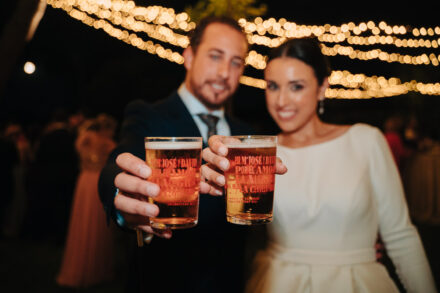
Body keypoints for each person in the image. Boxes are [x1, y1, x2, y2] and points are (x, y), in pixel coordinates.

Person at [201, 37, 437, 293]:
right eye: (273, 86)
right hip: (277, 282)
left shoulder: (366, 140)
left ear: (322, 87)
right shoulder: (259, 152)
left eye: (296, 87)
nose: (281, 101)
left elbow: (401, 236)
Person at [98, 16, 286, 293]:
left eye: (236, 62)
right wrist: (123, 198)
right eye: (215, 56)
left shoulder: (245, 133)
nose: (225, 72)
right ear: (189, 57)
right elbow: (118, 164)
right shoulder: (149, 115)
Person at [57, 114, 117, 288]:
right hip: (99, 181)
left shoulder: (85, 138)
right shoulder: (107, 143)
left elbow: (77, 147)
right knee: (97, 224)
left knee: (83, 221)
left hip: (84, 181)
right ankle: (96, 268)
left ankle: (82, 265)